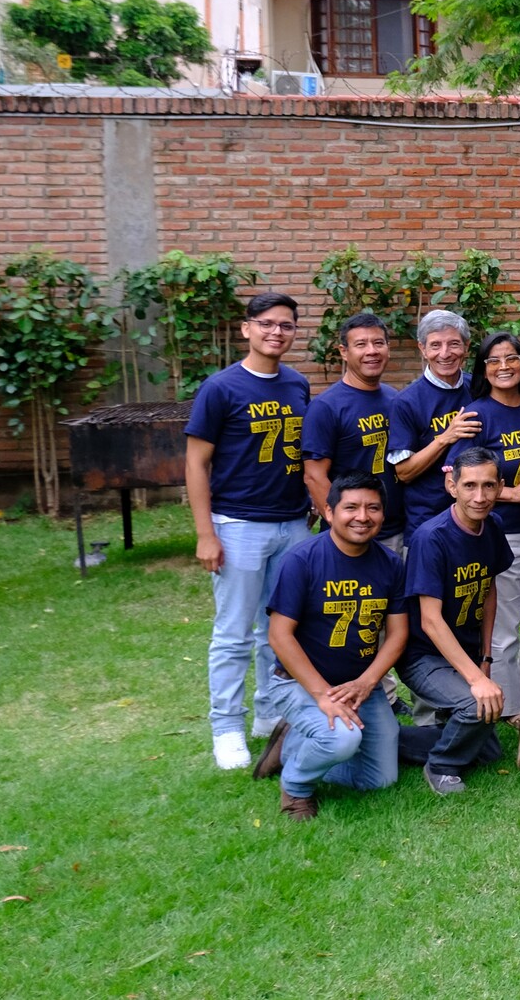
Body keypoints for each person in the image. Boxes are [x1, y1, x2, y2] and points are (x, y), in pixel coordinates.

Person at [185, 291, 312, 770]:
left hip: (293, 521)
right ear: (247, 328)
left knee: (278, 628)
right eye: (267, 324)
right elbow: (196, 462)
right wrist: (205, 532)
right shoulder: (221, 388)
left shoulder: (297, 385)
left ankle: (269, 713)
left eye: (286, 325)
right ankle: (226, 728)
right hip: (237, 523)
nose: (276, 332)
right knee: (234, 633)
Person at [249, 472, 405, 820]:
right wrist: (321, 694)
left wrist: (367, 682)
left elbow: (397, 634)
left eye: (373, 508)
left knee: (379, 779)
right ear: (329, 512)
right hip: (299, 683)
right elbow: (279, 635)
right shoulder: (302, 560)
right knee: (342, 741)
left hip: (359, 686)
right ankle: (296, 787)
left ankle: (292, 748)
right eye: (351, 507)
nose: (362, 517)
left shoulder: (391, 564)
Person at [394, 447, 517, 795]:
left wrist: (486, 659)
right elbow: (430, 621)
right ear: (452, 486)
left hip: (464, 650)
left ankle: (377, 740)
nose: (480, 497)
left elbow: (488, 589)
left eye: (489, 486)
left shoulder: (492, 524)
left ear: (500, 487)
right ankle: (442, 765)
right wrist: (475, 679)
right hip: (423, 656)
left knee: (489, 750)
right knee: (475, 706)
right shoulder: (431, 538)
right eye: (470, 486)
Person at [467, 331, 520, 716]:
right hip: (501, 535)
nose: (504, 367)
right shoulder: (476, 414)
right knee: (503, 628)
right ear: (484, 370)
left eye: (512, 358)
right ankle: (508, 705)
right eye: (494, 360)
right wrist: (512, 494)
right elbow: (457, 479)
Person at [301, 311, 401, 548]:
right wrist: (344, 528)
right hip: (353, 534)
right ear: (344, 352)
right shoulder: (326, 407)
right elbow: (314, 476)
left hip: (398, 528)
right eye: (361, 344)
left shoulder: (394, 398)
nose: (372, 351)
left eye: (378, 343)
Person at [389, 308, 479, 541]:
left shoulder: (479, 389)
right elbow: (404, 472)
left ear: (466, 347)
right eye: (436, 345)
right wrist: (445, 438)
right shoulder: (406, 402)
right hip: (427, 522)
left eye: (454, 344)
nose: (445, 353)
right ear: (423, 349)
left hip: (476, 517)